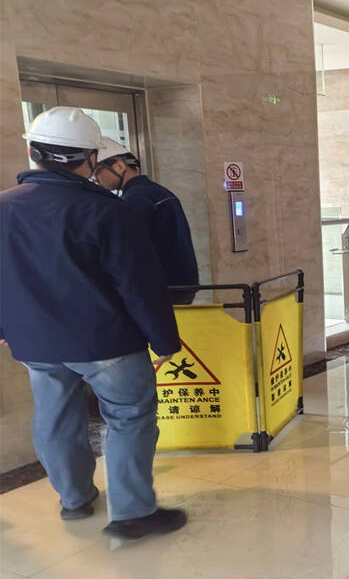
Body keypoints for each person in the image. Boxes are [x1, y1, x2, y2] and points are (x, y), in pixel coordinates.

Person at [0, 107, 186, 539]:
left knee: (55, 417)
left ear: (32, 152)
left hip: (35, 343)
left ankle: (74, 499)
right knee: (129, 416)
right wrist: (164, 341)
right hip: (107, 341)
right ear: (89, 158)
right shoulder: (109, 211)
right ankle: (132, 514)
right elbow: (139, 286)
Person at [95, 137, 199, 304]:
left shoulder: (136, 199)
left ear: (119, 166)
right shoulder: (157, 192)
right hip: (180, 285)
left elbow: (131, 250)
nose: (96, 178)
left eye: (98, 171)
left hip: (160, 289)